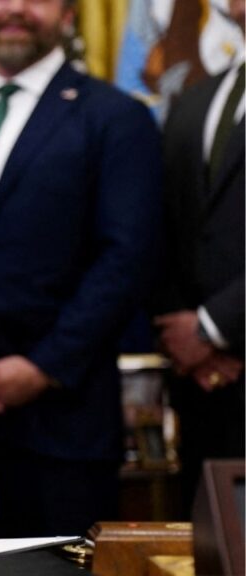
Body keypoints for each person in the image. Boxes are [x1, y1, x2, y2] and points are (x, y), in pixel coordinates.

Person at [0, 0, 162, 537]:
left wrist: (44, 367)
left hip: (63, 433)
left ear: (68, 16)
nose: (15, 9)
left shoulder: (116, 118)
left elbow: (127, 258)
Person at [154, 0, 244, 514]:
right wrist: (183, 332)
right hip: (204, 392)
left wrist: (214, 327)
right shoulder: (195, 100)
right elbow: (164, 227)